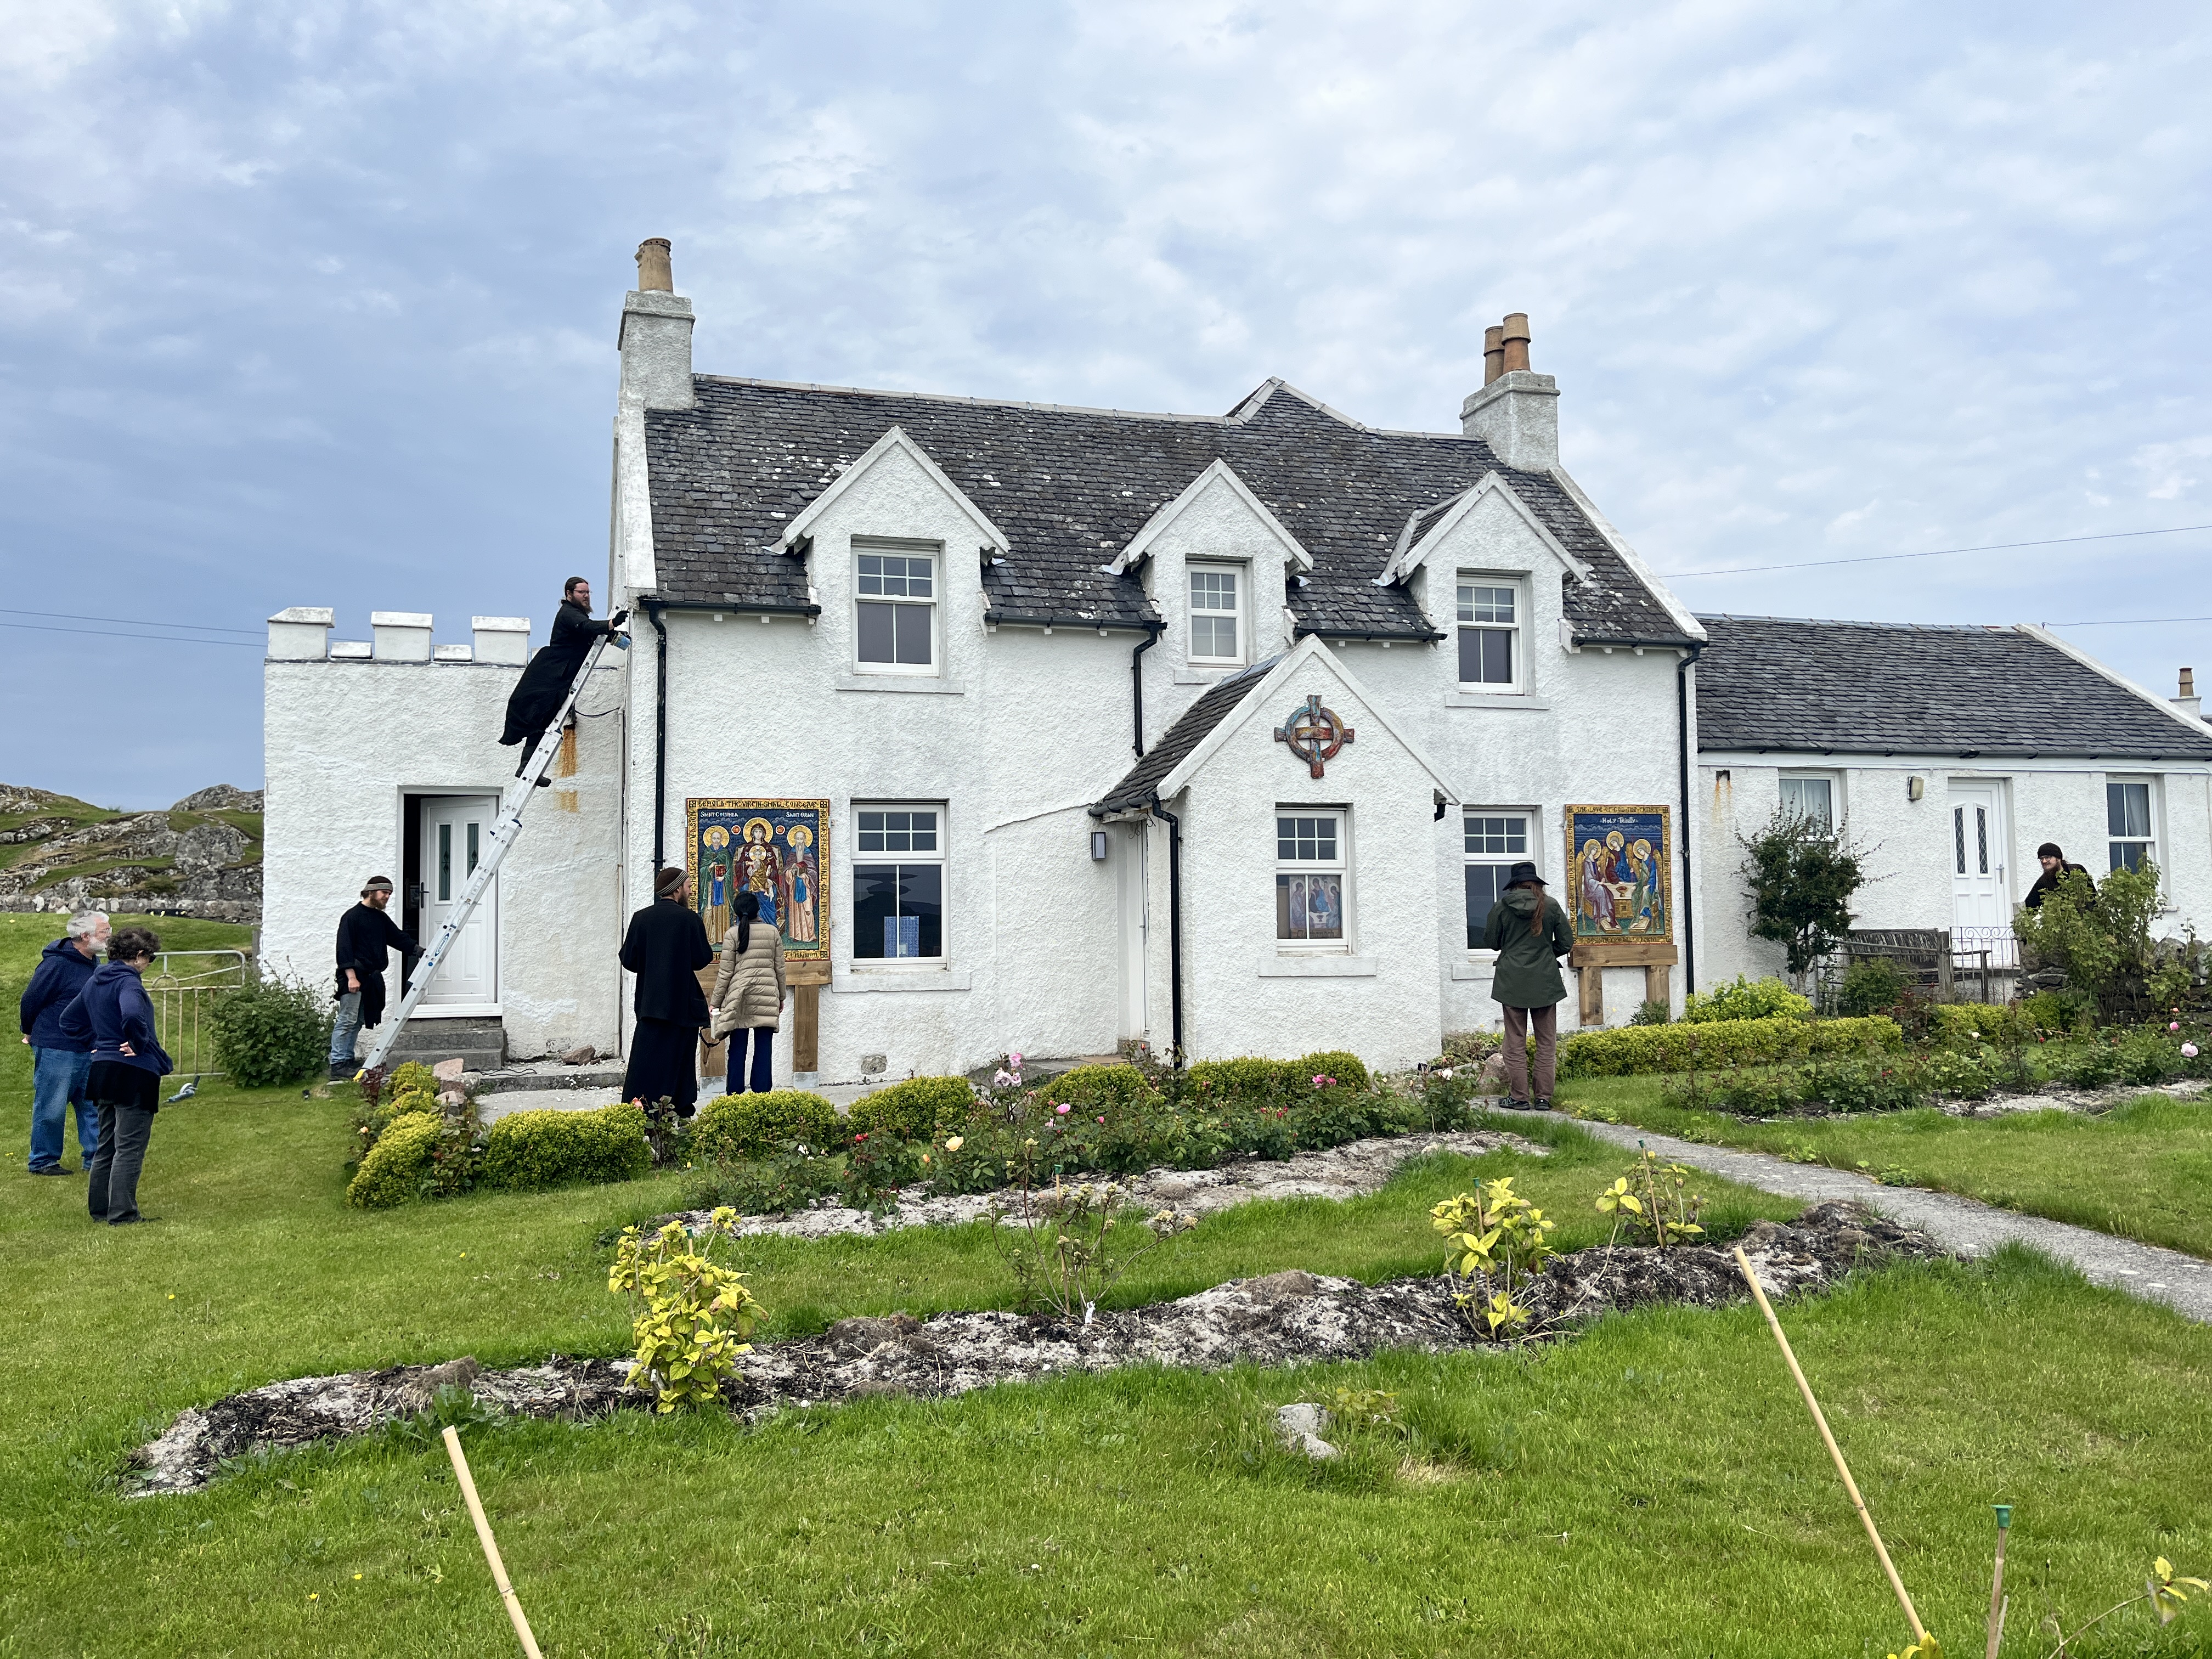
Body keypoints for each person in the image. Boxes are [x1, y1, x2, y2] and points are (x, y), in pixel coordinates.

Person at [59, 925, 173, 1225]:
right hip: (134, 1071)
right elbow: (133, 1013)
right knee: (129, 1147)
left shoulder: (96, 980)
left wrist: (98, 1044)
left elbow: (68, 1020)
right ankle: (123, 1214)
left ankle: (101, 1209)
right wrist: (138, 1042)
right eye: (150, 958)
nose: (149, 964)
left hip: (104, 1069)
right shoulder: (129, 983)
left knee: (107, 1144)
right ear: (139, 955)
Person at [499, 577, 627, 779]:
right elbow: (586, 627)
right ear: (569, 594)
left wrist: (615, 637)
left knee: (543, 718)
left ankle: (527, 768)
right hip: (552, 674)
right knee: (540, 716)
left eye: (588, 593)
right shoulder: (568, 613)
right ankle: (527, 767)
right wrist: (612, 623)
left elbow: (587, 635)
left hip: (560, 674)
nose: (586, 596)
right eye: (581, 592)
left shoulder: (578, 615)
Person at [18, 910, 109, 1175]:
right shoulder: (56, 965)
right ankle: (43, 1161)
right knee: (52, 1107)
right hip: (57, 1045)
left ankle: (96, 1159)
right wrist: (29, 1031)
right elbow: (31, 1000)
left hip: (89, 1046)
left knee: (93, 1105)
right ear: (86, 936)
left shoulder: (93, 963)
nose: (109, 936)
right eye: (105, 931)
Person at [620, 866, 714, 1116]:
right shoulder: (689, 919)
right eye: (688, 887)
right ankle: (681, 1114)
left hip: (650, 1004)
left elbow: (628, 959)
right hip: (682, 1004)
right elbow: (702, 958)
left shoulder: (641, 918)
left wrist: (652, 961)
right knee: (680, 1063)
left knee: (646, 1062)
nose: (691, 891)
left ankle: (642, 1110)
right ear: (677, 890)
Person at [1482, 860, 1574, 1111]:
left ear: (1514, 884)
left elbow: (1491, 941)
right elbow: (1566, 943)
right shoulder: (1551, 905)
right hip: (1545, 981)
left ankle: (1520, 1098)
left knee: (1514, 1042)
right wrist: (1545, 953)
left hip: (1512, 981)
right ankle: (1543, 1098)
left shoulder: (1502, 907)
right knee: (1546, 1042)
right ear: (1536, 883)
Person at [331, 877, 422, 1081]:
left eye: (389, 894)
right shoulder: (352, 917)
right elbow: (344, 950)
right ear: (371, 892)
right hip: (353, 978)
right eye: (384, 893)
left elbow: (397, 938)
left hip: (370, 978)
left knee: (357, 1021)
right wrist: (351, 977)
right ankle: (337, 1064)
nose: (387, 897)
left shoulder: (380, 918)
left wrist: (418, 951)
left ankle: (346, 1060)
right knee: (347, 1020)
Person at [708, 890, 786, 1095]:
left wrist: (715, 1002)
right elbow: (780, 969)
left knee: (737, 1049)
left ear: (736, 912)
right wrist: (781, 997)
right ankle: (761, 1096)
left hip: (738, 998)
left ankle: (734, 1097)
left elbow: (725, 973)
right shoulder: (773, 932)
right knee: (764, 1049)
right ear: (758, 910)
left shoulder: (732, 934)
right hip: (767, 995)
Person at [2023, 842, 2094, 911]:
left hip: (2085, 918)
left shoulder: (2077, 871)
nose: (2044, 861)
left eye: (2048, 857)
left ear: (2058, 858)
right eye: (2041, 858)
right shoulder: (2043, 882)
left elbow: (2093, 897)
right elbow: (2028, 909)